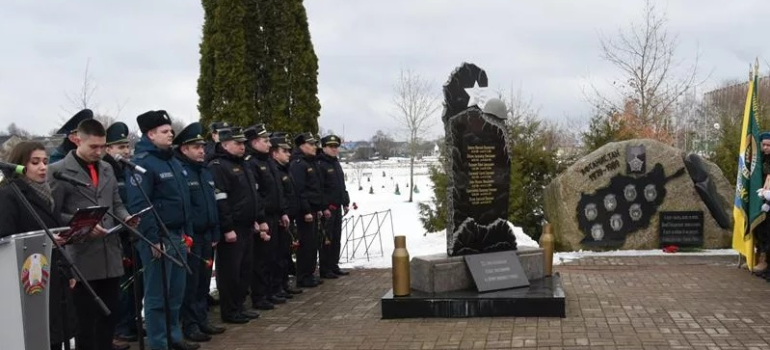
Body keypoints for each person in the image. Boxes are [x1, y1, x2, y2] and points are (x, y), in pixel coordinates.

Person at [48, 119, 135, 350]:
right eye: (93, 147)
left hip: (110, 253)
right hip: (81, 255)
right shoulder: (58, 171)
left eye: (103, 147)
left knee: (109, 316)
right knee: (86, 322)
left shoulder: (107, 167)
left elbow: (116, 202)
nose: (99, 152)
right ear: (78, 140)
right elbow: (52, 214)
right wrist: (80, 222)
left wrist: (126, 217)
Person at [126, 110, 199, 350]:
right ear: (150, 134)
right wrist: (152, 239)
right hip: (158, 238)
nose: (171, 134)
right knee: (158, 296)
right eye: (165, 131)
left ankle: (173, 338)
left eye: (170, 130)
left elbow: (184, 200)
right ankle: (159, 343)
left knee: (175, 293)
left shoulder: (173, 161)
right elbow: (140, 205)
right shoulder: (142, 164)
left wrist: (187, 232)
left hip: (177, 235)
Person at [0, 141, 78, 350]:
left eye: (45, 161)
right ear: (19, 164)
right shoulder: (9, 195)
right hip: (27, 280)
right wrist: (44, 242)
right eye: (35, 162)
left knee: (55, 334)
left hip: (54, 272)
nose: (43, 167)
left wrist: (69, 271)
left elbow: (52, 231)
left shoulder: (46, 193)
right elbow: (5, 238)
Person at [173, 122, 226, 342]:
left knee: (203, 281)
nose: (202, 150)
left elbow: (212, 204)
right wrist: (189, 235)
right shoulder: (181, 171)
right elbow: (184, 208)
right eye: (196, 147)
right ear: (184, 149)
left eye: (202, 146)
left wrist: (215, 233)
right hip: (192, 236)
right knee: (191, 283)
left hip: (207, 235)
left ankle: (202, 319)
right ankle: (190, 324)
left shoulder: (204, 171)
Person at [208, 127, 265, 324]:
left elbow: (252, 195)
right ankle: (230, 310)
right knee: (230, 272)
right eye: (237, 143)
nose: (242, 147)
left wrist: (256, 218)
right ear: (224, 144)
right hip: (233, 228)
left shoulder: (243, 164)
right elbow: (221, 199)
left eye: (243, 143)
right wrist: (227, 227)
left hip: (247, 225)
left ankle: (240, 305)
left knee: (244, 269)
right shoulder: (218, 165)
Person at [102, 122, 143, 347]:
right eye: (119, 146)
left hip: (133, 233)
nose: (126, 151)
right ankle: (121, 327)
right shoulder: (106, 170)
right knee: (123, 288)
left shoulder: (128, 168)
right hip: (116, 237)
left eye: (126, 145)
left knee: (137, 284)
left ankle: (132, 321)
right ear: (108, 149)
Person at [245, 124, 287, 310]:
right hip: (263, 217)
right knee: (261, 259)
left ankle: (272, 290)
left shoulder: (268, 161)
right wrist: (260, 218)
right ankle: (260, 295)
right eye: (265, 140)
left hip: (274, 215)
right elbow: (257, 195)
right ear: (254, 142)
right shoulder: (251, 162)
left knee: (273, 256)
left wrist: (282, 211)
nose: (269, 144)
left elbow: (277, 190)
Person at [268, 132, 303, 296]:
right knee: (275, 255)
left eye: (289, 151)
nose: (289, 154)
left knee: (284, 254)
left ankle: (282, 284)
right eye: (285, 151)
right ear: (274, 153)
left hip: (287, 217)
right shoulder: (275, 170)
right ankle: (275, 287)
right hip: (279, 218)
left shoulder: (285, 170)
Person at [289, 132, 324, 288]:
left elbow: (316, 188)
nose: (314, 147)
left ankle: (309, 273)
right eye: (311, 144)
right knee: (306, 244)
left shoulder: (311, 162)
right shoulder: (298, 164)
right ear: (302, 146)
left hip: (313, 209)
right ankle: (303, 276)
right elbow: (300, 190)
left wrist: (319, 207)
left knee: (312, 243)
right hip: (305, 211)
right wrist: (307, 210)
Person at [316, 135, 351, 278]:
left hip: (337, 206)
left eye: (336, 147)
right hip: (328, 208)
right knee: (327, 239)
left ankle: (333, 265)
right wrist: (324, 206)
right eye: (331, 147)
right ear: (323, 147)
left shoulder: (335, 163)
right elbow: (320, 188)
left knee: (336, 238)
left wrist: (345, 202)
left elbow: (340, 186)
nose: (334, 149)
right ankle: (325, 268)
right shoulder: (320, 163)